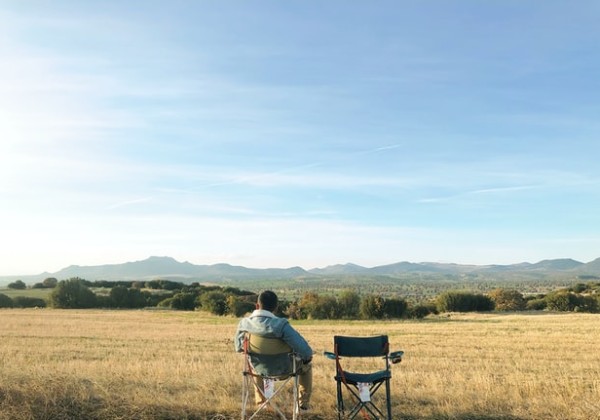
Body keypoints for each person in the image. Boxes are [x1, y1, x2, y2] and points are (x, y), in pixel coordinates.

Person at [235, 290, 313, 410]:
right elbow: (306, 352)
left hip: (259, 368)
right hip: (284, 370)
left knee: (254, 363)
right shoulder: (282, 325)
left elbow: (238, 348)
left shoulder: (244, 323)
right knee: (307, 367)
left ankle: (261, 403)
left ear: (257, 306)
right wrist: (306, 359)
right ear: (276, 308)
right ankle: (303, 405)